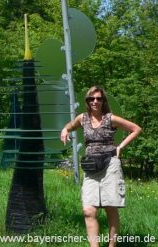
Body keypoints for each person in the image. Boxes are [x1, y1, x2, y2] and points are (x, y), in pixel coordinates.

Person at [60, 86, 142, 247]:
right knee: (88, 211)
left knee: (110, 209)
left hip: (110, 165)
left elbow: (136, 129)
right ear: (87, 101)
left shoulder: (110, 118)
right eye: (91, 99)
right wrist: (65, 129)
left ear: (103, 101)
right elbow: (71, 125)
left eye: (98, 98)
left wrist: (120, 147)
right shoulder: (82, 118)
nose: (95, 101)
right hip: (91, 167)